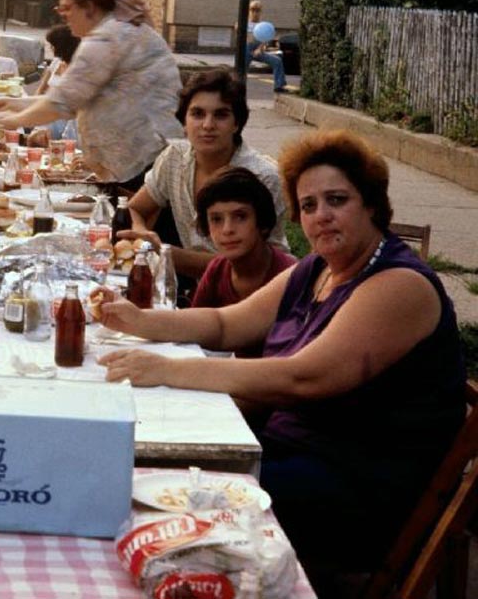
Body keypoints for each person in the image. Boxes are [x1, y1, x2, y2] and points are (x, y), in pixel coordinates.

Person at [95, 128, 465, 589]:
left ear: (371, 203)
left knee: (166, 497)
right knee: (146, 470)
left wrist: (167, 369)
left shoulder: (400, 286)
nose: (321, 216)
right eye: (309, 206)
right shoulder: (320, 267)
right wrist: (138, 322)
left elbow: (302, 378)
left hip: (357, 488)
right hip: (292, 453)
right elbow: (229, 323)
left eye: (337, 200)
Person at [0, 0, 183, 189]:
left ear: (89, 7)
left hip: (144, 162)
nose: (63, 16)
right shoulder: (119, 29)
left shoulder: (107, 37)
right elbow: (73, 97)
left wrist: (14, 120)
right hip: (144, 161)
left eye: (66, 8)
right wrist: (16, 103)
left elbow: (61, 104)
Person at [122, 68, 288, 282]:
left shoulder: (261, 177)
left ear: (236, 124)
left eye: (220, 115)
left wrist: (163, 252)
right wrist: (142, 235)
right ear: (184, 122)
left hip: (256, 294)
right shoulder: (175, 157)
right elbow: (136, 208)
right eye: (198, 114)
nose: (208, 125)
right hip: (200, 286)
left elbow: (248, 265)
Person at [191, 167, 297, 320]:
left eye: (240, 217)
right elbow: (195, 325)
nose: (227, 230)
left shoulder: (289, 276)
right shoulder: (217, 270)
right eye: (216, 219)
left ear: (261, 221)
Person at [27, 24, 82, 147]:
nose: (50, 48)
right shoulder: (56, 62)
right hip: (48, 109)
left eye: (52, 45)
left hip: (66, 115)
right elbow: (42, 88)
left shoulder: (78, 67)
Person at [246, 0, 287, 92]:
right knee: (241, 69)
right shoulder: (244, 23)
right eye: (252, 10)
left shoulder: (263, 26)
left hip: (258, 49)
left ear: (261, 12)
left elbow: (266, 39)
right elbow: (242, 37)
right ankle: (237, 87)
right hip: (246, 49)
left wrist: (260, 49)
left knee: (277, 61)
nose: (255, 13)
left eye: (257, 10)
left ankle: (279, 85)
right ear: (249, 11)